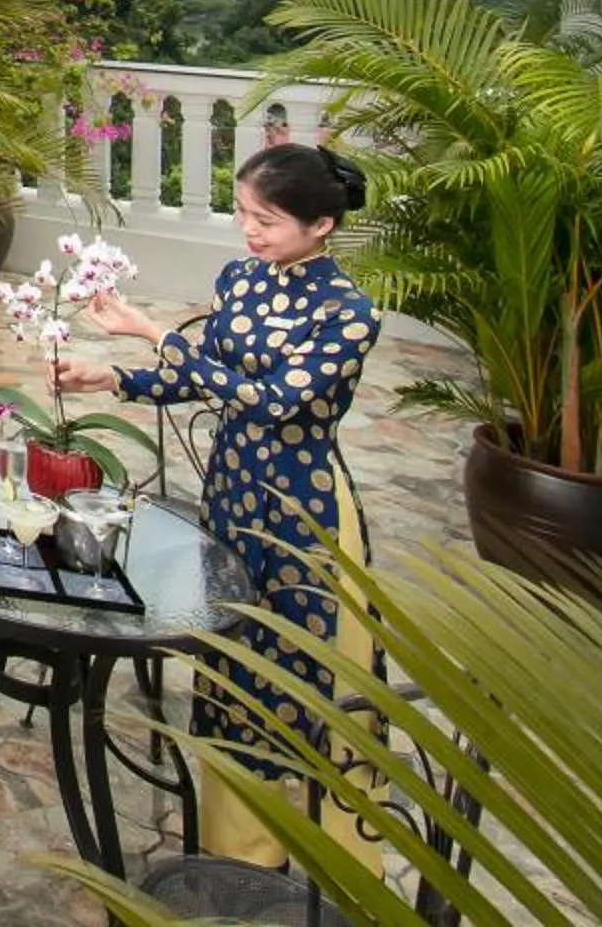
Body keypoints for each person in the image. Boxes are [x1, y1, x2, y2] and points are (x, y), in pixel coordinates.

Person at [55, 141, 381, 866]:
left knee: (301, 673)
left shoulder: (349, 314)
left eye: (267, 220)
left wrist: (156, 333)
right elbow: (205, 380)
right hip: (232, 496)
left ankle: (331, 861)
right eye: (242, 214)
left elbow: (270, 402)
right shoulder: (241, 279)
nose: (249, 232)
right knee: (231, 666)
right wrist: (113, 378)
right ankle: (240, 858)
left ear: (321, 226)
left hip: (303, 512)